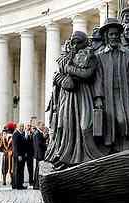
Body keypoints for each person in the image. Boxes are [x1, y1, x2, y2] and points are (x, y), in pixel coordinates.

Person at [45, 30, 103, 170]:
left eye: (79, 42)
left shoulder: (91, 56)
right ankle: (66, 158)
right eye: (73, 42)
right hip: (68, 96)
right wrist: (62, 78)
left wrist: (70, 69)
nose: (76, 45)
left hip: (83, 95)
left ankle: (90, 157)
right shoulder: (66, 57)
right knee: (66, 125)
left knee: (84, 125)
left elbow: (87, 74)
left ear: (85, 42)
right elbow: (57, 76)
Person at [94, 18, 129, 152]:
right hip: (108, 95)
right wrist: (98, 97)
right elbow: (98, 78)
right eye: (111, 34)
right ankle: (112, 149)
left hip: (124, 93)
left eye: (116, 34)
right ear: (106, 36)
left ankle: (124, 146)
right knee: (110, 121)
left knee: (123, 120)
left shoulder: (128, 54)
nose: (114, 37)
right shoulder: (100, 56)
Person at [32, 121, 47, 189]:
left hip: (38, 154)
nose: (43, 126)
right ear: (39, 126)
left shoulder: (37, 133)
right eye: (42, 125)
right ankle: (37, 185)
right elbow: (39, 144)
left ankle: (36, 184)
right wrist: (46, 145)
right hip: (40, 154)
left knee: (37, 170)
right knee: (38, 170)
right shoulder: (38, 133)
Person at [12, 123, 26, 189]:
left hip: (22, 155)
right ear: (17, 127)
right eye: (21, 126)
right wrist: (19, 155)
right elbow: (15, 146)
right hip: (18, 155)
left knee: (20, 170)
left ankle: (19, 184)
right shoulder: (16, 134)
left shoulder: (21, 134)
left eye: (23, 126)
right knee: (17, 170)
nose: (22, 127)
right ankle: (17, 185)